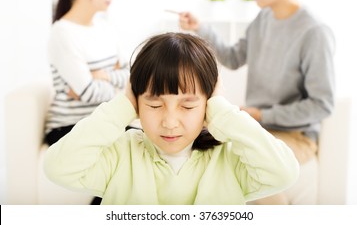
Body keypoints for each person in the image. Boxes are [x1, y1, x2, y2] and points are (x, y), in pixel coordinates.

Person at [44, 32, 299, 205]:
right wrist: (120, 107)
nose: (170, 121)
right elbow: (58, 167)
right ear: (136, 103)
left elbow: (284, 172)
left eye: (188, 106)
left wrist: (223, 110)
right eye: (154, 104)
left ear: (208, 104)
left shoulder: (229, 159)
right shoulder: (121, 154)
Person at [178, 0, 335, 205]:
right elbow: (232, 56)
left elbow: (322, 105)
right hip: (257, 127)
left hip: (296, 136)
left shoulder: (314, 32)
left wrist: (262, 115)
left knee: (247, 160)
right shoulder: (263, 19)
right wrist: (201, 27)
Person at [44, 0, 129, 146]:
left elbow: (129, 74)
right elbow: (89, 92)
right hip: (68, 127)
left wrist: (102, 76)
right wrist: (116, 85)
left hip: (102, 121)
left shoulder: (106, 28)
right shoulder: (63, 32)